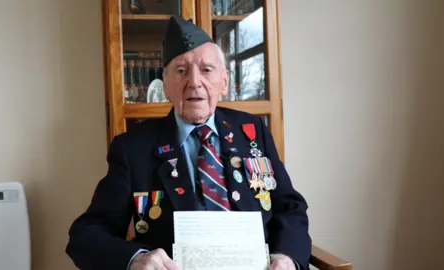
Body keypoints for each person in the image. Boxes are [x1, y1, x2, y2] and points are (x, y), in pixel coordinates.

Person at [66, 15, 311, 270]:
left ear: (224, 81)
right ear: (165, 86)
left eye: (206, 70)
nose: (194, 82)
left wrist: (287, 257)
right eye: (181, 71)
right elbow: (86, 234)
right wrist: (135, 258)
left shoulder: (252, 130)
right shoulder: (133, 147)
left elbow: (289, 206)